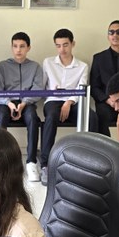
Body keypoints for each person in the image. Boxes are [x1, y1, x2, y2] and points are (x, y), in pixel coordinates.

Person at [39, 28, 93, 185]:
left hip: (74, 101)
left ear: (72, 44)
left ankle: (88, 162)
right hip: (52, 100)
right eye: (58, 45)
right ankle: (45, 165)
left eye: (65, 45)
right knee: (51, 117)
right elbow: (42, 87)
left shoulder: (82, 66)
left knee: (91, 117)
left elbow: (82, 88)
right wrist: (52, 92)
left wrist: (69, 102)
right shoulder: (48, 62)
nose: (62, 49)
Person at [0, 31, 44, 182]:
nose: (18, 50)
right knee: (1, 118)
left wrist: (23, 104)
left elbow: (38, 89)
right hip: (6, 102)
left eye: (22, 46)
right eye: (15, 46)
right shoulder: (2, 66)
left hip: (26, 102)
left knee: (33, 118)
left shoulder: (35, 67)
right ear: (11, 47)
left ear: (28, 48)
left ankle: (31, 162)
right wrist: (8, 103)